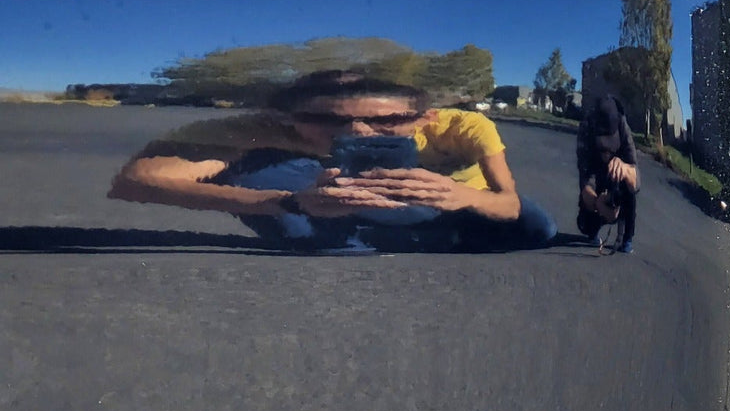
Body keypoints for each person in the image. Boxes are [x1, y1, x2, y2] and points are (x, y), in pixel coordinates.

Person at [108, 71, 557, 253]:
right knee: (271, 193)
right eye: (328, 121)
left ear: (426, 117)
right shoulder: (262, 128)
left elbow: (509, 204)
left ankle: (400, 233)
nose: (358, 133)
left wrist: (458, 194)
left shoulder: (463, 128)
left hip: (461, 205)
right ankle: (355, 231)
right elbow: (135, 181)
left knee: (539, 230)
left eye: (388, 122)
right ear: (287, 117)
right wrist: (286, 201)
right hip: (334, 195)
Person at [575, 94, 639, 254]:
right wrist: (598, 203)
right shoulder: (586, 129)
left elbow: (636, 178)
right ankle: (593, 228)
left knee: (630, 191)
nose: (607, 149)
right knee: (585, 225)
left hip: (618, 178)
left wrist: (626, 169)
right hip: (597, 174)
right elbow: (585, 181)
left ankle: (627, 237)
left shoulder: (623, 126)